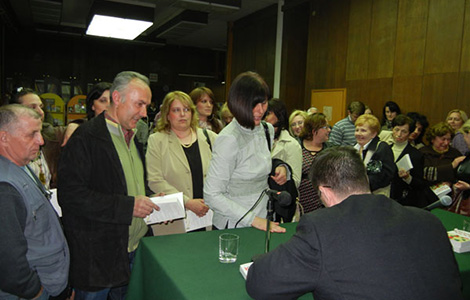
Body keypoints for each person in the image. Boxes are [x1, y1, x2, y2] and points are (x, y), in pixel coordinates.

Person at [246, 146, 463, 300]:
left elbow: (260, 284)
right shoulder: (430, 221)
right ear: (365, 179)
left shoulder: (321, 228)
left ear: (324, 192)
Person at [58, 71, 160, 299]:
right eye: (139, 104)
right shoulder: (85, 138)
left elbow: (124, 184)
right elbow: (71, 196)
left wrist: (150, 197)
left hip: (133, 251)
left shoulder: (133, 138)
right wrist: (128, 206)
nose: (144, 113)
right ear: (116, 98)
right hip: (98, 260)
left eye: (147, 106)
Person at [0, 104, 70, 299]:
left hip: (50, 282)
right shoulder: (5, 188)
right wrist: (37, 292)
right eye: (31, 134)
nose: (40, 141)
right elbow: (8, 263)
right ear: (4, 138)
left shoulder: (19, 166)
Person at [204, 71, 286, 232]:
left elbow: (260, 163)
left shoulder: (266, 129)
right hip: (234, 223)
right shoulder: (229, 139)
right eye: (253, 105)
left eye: (264, 103)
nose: (260, 110)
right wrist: (253, 220)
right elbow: (211, 195)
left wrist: (280, 167)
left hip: (264, 216)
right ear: (238, 103)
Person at [146, 91, 217, 233]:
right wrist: (187, 202)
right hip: (174, 222)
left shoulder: (210, 138)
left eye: (186, 109)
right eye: (176, 110)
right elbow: (155, 180)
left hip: (208, 217)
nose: (182, 114)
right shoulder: (156, 140)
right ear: (167, 115)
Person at [10, 87, 78, 188]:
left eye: (41, 107)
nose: (40, 112)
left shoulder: (50, 134)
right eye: (32, 107)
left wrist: (74, 125)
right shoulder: (7, 144)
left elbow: (88, 127)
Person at [388, 115, 430, 207]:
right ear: (392, 129)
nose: (399, 134)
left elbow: (420, 184)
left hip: (403, 200)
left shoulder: (416, 155)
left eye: (404, 131)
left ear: (409, 133)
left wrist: (408, 178)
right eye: (396, 129)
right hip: (384, 196)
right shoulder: (385, 149)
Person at [354, 114, 397, 196]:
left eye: (363, 131)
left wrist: (358, 185)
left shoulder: (381, 148)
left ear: (373, 134)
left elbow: (382, 177)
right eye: (357, 130)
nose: (358, 134)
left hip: (377, 196)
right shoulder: (354, 148)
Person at [298, 113, 330, 213]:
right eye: (325, 127)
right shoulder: (296, 147)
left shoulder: (330, 149)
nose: (329, 130)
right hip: (300, 203)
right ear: (314, 130)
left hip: (323, 204)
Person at [420, 122, 465, 187]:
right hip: (426, 191)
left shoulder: (455, 153)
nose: (446, 143)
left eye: (449, 139)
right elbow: (425, 173)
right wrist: (451, 166)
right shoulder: (424, 152)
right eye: (443, 139)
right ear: (433, 139)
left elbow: (460, 175)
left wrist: (451, 183)